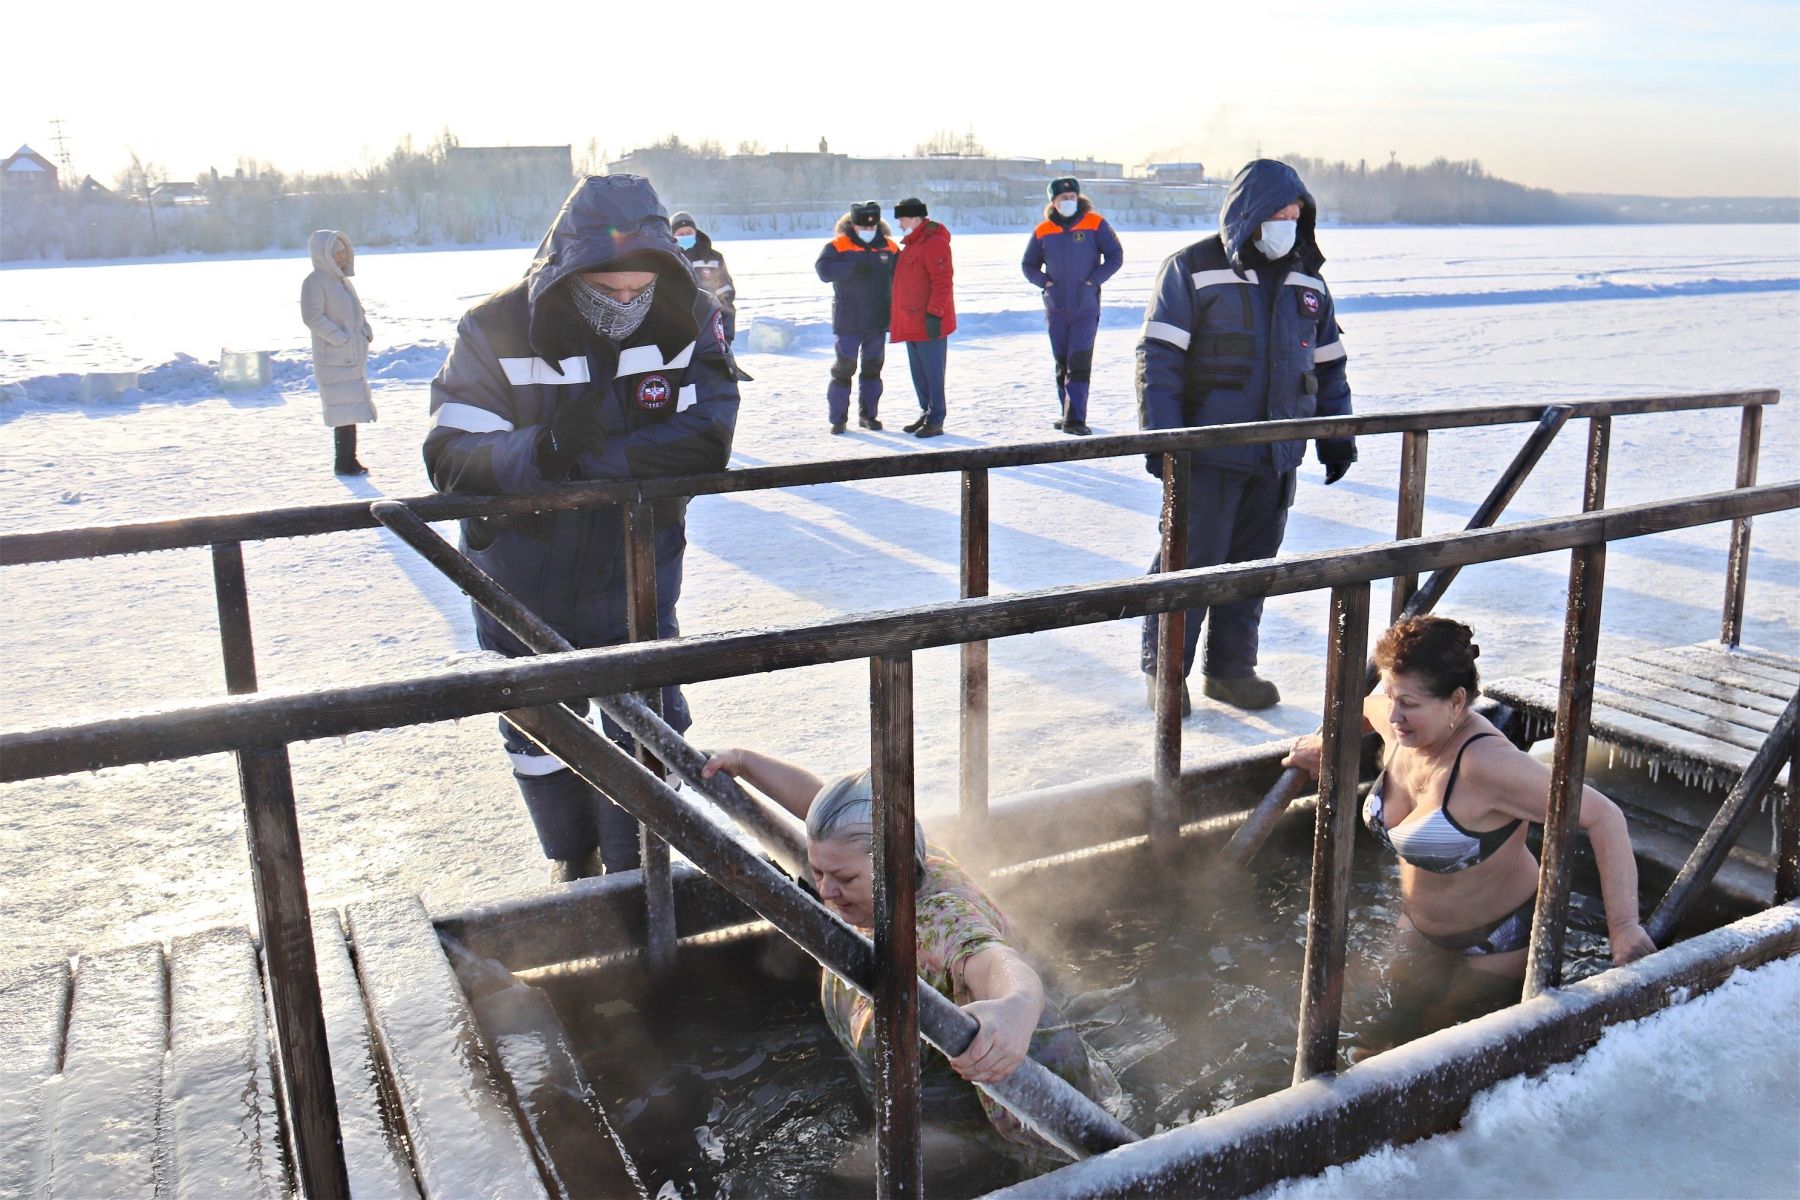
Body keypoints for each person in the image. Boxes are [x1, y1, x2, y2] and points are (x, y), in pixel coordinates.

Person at [424, 175, 741, 882]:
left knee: (648, 727)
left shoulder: (686, 321)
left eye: (639, 291)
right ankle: (574, 862)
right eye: (608, 290)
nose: (626, 306)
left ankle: (639, 875)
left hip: (636, 572)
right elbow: (450, 457)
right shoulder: (495, 328)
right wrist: (544, 449)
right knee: (541, 732)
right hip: (523, 578)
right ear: (570, 272)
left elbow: (707, 439)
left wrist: (585, 460)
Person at [700, 748, 1120, 1168]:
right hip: (919, 1091)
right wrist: (744, 763)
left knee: (846, 1178)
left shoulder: (941, 921)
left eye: (843, 878)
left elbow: (997, 963)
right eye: (819, 871)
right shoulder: (889, 845)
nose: (824, 891)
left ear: (895, 862)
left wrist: (1016, 1009)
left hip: (1009, 1121)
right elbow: (818, 801)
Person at [1282, 615, 1656, 976]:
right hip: (1416, 924)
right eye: (1392, 695)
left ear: (1457, 701)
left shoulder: (1487, 764)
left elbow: (1603, 815)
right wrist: (1325, 743)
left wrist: (1623, 927)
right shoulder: (1402, 725)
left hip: (1497, 937)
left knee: (1439, 1031)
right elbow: (1366, 707)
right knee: (1369, 1023)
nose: (1394, 715)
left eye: (1409, 704)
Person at [1137, 159, 1357, 714]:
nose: (1288, 221)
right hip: (1208, 454)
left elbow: (1328, 364)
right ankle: (1165, 674)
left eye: (1296, 213)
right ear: (1249, 212)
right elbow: (1158, 359)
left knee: (1253, 565)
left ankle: (1231, 671)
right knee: (1190, 564)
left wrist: (1336, 433)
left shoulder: (1310, 277)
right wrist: (1163, 441)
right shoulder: (1192, 268)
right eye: (1278, 212)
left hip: (1279, 455)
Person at [1021, 176, 1122, 437]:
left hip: (1085, 307)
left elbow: (1115, 256)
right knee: (1062, 363)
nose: (1068, 201)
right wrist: (1045, 283)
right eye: (1063, 198)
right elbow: (1028, 265)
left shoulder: (1094, 223)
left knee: (1079, 362)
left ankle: (1076, 418)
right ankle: (1066, 413)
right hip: (1056, 308)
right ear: (1053, 201)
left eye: (1072, 197)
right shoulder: (1043, 230)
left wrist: (1094, 280)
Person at [815, 200, 900, 434]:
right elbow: (823, 270)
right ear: (853, 225)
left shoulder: (890, 248)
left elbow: (902, 277)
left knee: (873, 369)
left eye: (872, 228)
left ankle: (868, 415)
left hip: (877, 320)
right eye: (864, 228)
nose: (869, 232)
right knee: (844, 369)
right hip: (848, 321)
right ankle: (838, 419)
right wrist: (851, 269)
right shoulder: (837, 246)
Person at [301, 230, 375, 476]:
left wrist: (364, 330)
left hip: (350, 355)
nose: (341, 257)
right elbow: (313, 317)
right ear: (324, 255)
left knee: (350, 408)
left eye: (343, 252)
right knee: (342, 410)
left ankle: (349, 459)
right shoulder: (315, 282)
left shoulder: (342, 281)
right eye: (336, 252)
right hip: (334, 357)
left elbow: (357, 312)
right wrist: (339, 338)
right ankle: (343, 462)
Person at [888, 198, 956, 438]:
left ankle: (937, 417)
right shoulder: (912, 244)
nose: (898, 224)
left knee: (933, 373)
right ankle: (926, 411)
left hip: (929, 321)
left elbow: (942, 281)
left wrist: (935, 313)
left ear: (915, 218)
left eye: (901, 219)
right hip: (912, 322)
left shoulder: (934, 243)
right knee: (919, 373)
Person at [670, 211, 737, 344]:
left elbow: (726, 295)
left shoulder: (713, 258)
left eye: (689, 232)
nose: (685, 236)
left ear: (695, 232)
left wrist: (725, 336)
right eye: (680, 234)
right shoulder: (667, 257)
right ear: (672, 235)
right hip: (678, 328)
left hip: (710, 324)